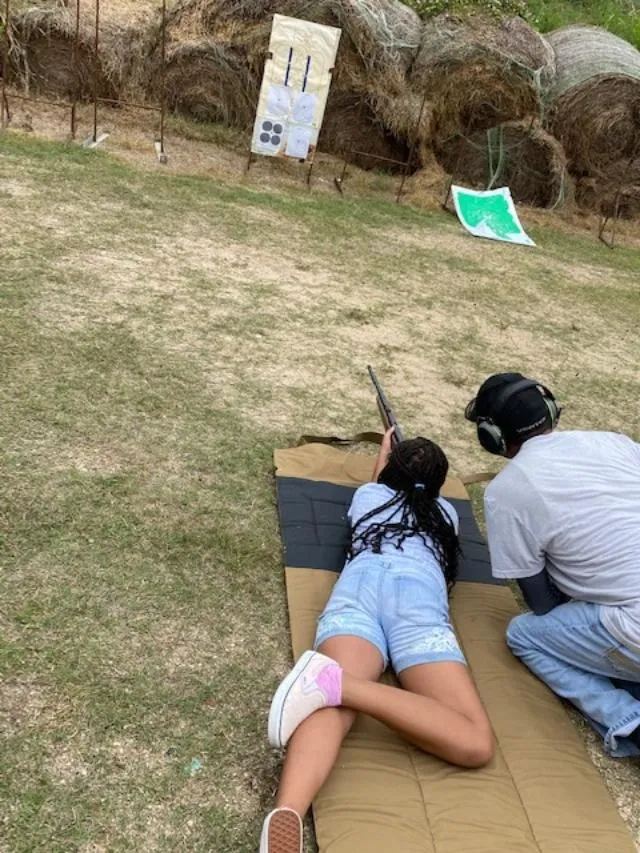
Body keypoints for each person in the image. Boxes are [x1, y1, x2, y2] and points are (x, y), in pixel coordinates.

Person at [260, 430, 494, 853]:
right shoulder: (448, 515)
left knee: (335, 708)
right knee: (475, 743)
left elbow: (377, 482)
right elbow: (403, 485)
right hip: (419, 607)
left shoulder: (369, 497)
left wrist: (387, 450)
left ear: (386, 471)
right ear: (439, 485)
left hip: (360, 592)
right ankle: (335, 683)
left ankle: (289, 809)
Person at [464, 371, 640, 759]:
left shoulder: (507, 492)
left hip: (633, 628)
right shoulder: (616, 442)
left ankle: (627, 720)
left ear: (492, 438)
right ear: (550, 411)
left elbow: (542, 603)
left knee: (525, 634)